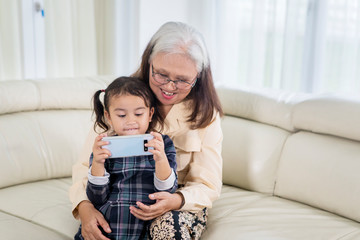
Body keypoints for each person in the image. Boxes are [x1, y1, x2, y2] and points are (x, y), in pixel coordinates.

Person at [69, 21, 223, 240]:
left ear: (197, 77)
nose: (169, 86)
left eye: (182, 80)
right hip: (120, 202)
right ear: (148, 61)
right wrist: (84, 208)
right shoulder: (122, 100)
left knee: (168, 228)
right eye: (161, 74)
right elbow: (86, 165)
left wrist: (175, 200)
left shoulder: (206, 115)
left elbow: (208, 184)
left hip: (176, 202)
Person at [74, 77, 177, 240]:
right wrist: (98, 164)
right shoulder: (104, 145)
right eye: (121, 115)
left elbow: (167, 191)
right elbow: (96, 197)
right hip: (110, 225)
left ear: (150, 114)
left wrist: (161, 160)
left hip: (145, 224)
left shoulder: (161, 143)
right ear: (108, 116)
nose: (130, 121)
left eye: (138, 114)